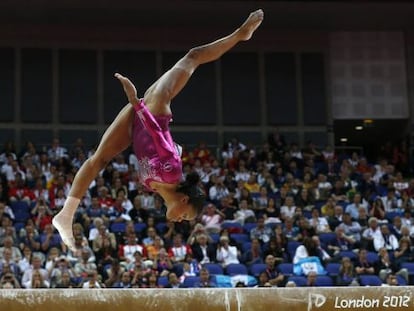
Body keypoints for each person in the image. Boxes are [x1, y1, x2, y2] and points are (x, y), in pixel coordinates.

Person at [52, 9, 265, 250]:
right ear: (184, 200)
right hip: (154, 111)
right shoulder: (171, 173)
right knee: (193, 56)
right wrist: (137, 103)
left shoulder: (151, 186)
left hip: (137, 122)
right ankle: (240, 35)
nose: (179, 221)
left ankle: (66, 214)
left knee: (99, 159)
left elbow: (160, 147)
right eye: (185, 216)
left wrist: (171, 143)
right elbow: (157, 134)